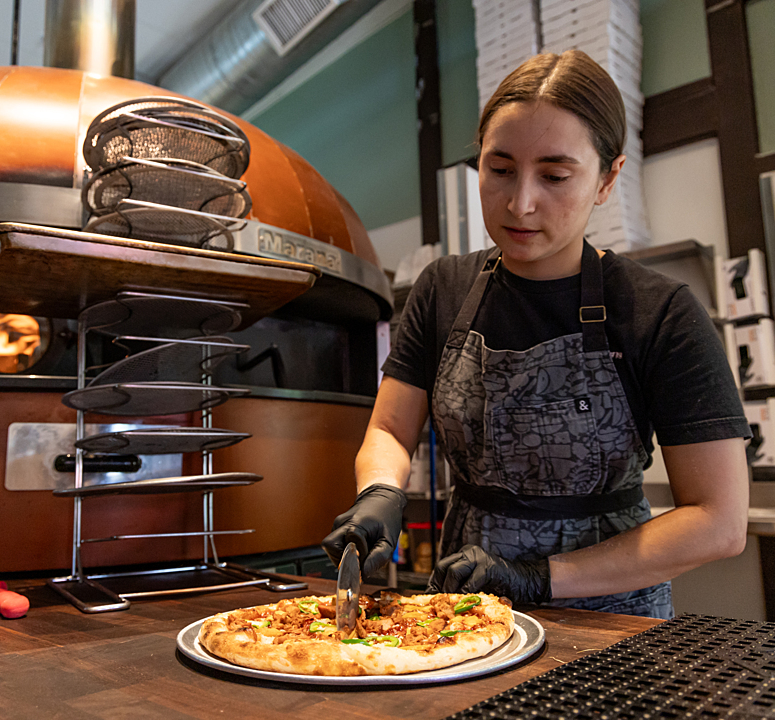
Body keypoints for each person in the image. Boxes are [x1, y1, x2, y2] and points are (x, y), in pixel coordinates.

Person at [322, 50, 751, 619]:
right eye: (499, 170)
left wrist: (537, 578)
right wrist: (380, 490)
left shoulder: (657, 312)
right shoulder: (443, 289)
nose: (520, 203)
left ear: (607, 178)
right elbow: (390, 428)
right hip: (465, 599)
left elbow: (719, 522)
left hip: (609, 614)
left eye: (554, 176)